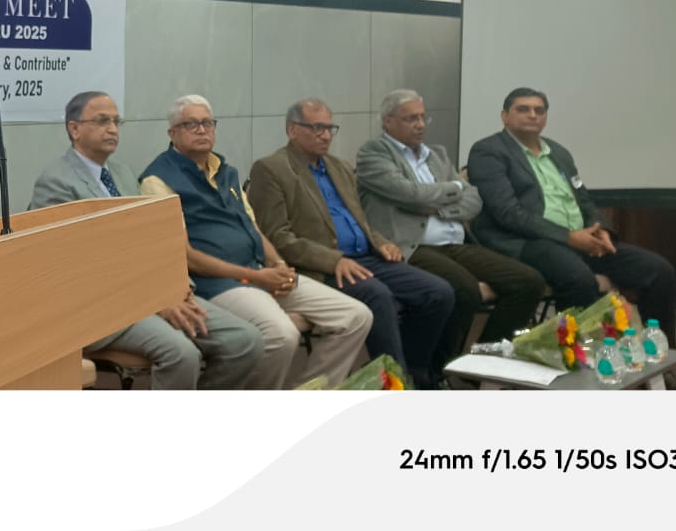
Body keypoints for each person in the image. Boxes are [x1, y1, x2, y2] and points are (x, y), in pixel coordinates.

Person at [30, 91, 264, 389]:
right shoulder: (57, 182)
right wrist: (154, 302)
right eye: (102, 121)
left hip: (151, 294)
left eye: (116, 121)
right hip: (98, 306)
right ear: (74, 129)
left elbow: (154, 242)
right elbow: (78, 266)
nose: (112, 129)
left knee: (246, 340)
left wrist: (178, 289)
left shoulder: (122, 173)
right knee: (182, 355)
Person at [137, 95, 371, 389]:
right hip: (217, 284)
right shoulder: (157, 180)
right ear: (172, 133)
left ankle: (310, 398)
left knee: (356, 316)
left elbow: (254, 228)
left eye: (207, 122)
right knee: (282, 335)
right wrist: (256, 275)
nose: (202, 130)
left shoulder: (226, 171)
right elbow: (186, 256)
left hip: (258, 272)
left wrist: (279, 264)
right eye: (191, 124)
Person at [248, 98, 455, 388]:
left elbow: (360, 220)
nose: (326, 135)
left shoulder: (340, 166)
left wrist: (382, 242)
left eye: (329, 128)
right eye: (317, 128)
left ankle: (414, 373)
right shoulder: (271, 169)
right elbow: (277, 236)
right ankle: (393, 385)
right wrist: (333, 260)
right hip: (322, 265)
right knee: (378, 296)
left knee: (438, 292)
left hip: (367, 257)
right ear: (292, 130)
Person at [467, 87, 676, 345]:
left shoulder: (558, 152)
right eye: (523, 109)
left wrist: (601, 230)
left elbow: (583, 200)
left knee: (658, 271)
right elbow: (508, 213)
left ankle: (661, 354)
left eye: (539, 110)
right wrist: (569, 237)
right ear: (505, 116)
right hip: (527, 242)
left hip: (579, 240)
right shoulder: (488, 151)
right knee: (578, 279)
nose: (532, 115)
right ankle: (570, 357)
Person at [356, 89, 544, 374]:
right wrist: (453, 188)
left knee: (528, 281)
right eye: (410, 119)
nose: (420, 124)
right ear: (387, 122)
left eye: (423, 117)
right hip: (412, 246)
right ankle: (433, 371)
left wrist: (440, 208)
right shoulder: (373, 154)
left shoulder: (437, 155)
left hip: (455, 242)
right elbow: (411, 194)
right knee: (464, 290)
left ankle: (481, 364)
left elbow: (474, 199)